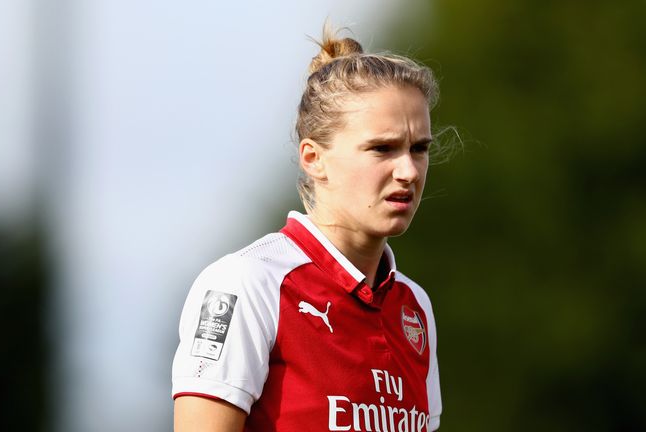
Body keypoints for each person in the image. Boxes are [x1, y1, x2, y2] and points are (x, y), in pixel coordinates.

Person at [171, 22, 443, 432]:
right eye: (382, 148)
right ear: (313, 158)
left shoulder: (414, 307)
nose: (408, 171)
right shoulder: (245, 283)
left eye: (418, 149)